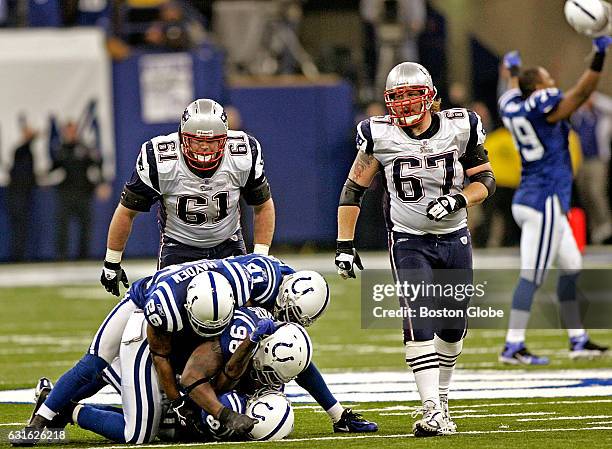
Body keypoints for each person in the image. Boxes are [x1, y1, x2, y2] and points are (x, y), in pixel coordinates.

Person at [335, 62, 496, 437]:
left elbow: (485, 179)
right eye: (397, 97)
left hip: (454, 236)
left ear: (431, 98)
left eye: (412, 95)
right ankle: (429, 408)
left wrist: (459, 200)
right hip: (408, 238)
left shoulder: (461, 126)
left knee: (454, 326)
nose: (405, 104)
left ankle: (441, 400)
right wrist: (345, 243)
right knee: (419, 315)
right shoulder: (379, 134)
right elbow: (353, 189)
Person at [498, 36, 612, 365]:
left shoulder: (511, 103)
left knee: (572, 265)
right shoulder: (544, 107)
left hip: (535, 196)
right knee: (532, 274)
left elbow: (515, 86)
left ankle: (578, 338)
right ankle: (513, 344)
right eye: (547, 78)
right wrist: (599, 56)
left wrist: (515, 68)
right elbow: (581, 94)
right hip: (543, 198)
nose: (552, 82)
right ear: (538, 88)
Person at [100, 98, 275, 297]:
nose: (205, 148)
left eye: (213, 141)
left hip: (229, 244)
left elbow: (263, 206)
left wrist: (260, 258)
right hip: (179, 247)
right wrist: (111, 262)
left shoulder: (243, 153)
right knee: (168, 313)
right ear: (182, 137)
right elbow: (126, 212)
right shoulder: (159, 159)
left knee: (242, 309)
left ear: (225, 139)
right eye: (198, 141)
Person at [52, 121, 110, 260]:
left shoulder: (85, 149)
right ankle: (62, 256)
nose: (71, 134)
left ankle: (83, 256)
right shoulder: (60, 150)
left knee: (85, 226)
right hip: (65, 193)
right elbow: (53, 169)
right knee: (62, 226)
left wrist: (101, 184)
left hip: (83, 192)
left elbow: (97, 166)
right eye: (68, 131)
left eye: (73, 131)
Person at [571, 92, 612, 244]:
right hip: (581, 161)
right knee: (585, 195)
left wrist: (594, 97)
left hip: (597, 160)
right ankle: (594, 230)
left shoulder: (601, 116)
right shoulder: (578, 116)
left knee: (596, 192)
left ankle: (605, 226)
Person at [6, 121, 37, 261]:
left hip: (25, 193)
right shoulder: (20, 150)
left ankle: (21, 254)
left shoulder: (28, 151)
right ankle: (17, 255)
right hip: (17, 193)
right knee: (18, 225)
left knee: (23, 226)